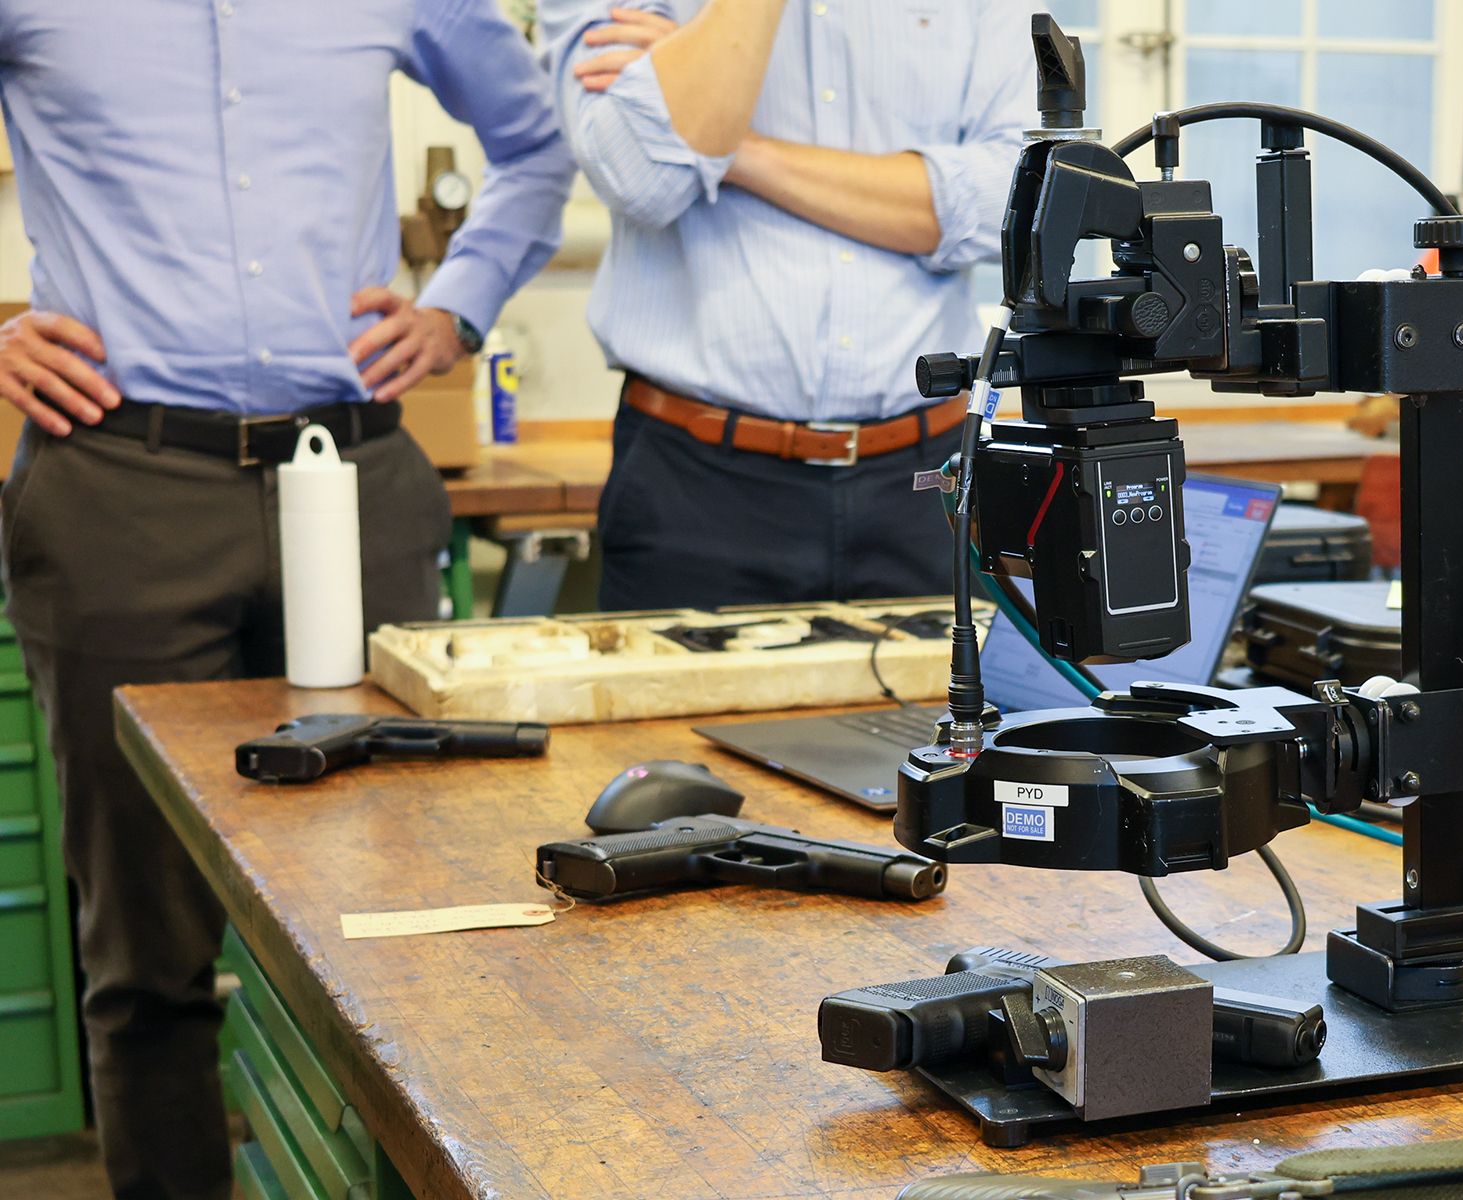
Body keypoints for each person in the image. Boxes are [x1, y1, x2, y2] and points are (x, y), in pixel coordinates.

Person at [0, 5, 574, 1196]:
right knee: (144, 956)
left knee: (405, 931)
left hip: (356, 479)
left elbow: (537, 144)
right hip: (122, 488)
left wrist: (456, 306)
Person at [539, 0, 1032, 609]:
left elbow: (1013, 203)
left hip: (929, 478)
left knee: (951, 679)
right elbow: (642, 178)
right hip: (696, 482)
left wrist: (734, 147)